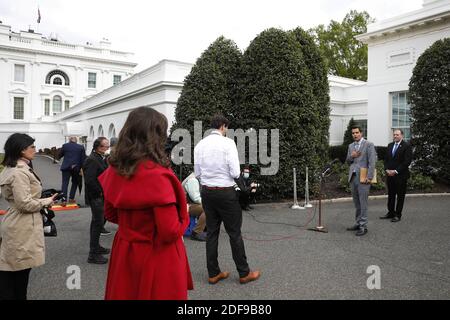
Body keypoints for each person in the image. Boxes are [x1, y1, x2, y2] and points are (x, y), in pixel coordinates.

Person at [98, 107, 193, 300]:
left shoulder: (115, 169)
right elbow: (169, 231)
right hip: (155, 253)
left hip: (125, 250)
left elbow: (110, 214)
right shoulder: (157, 175)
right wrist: (184, 216)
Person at [194, 114, 260, 285]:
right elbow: (235, 173)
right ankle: (244, 273)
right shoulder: (228, 143)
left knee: (212, 233)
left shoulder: (200, 145)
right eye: (227, 128)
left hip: (207, 193)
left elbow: (198, 173)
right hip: (225, 193)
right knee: (234, 233)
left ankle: (213, 273)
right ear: (223, 126)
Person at [0, 133, 57, 300]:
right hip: (22, 224)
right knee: (18, 271)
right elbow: (24, 204)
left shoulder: (15, 168)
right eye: (32, 146)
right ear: (21, 150)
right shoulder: (19, 172)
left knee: (16, 269)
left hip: (19, 222)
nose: (35, 149)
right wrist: (46, 201)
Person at [345, 126, 377, 236]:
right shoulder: (350, 146)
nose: (355, 135)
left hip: (364, 177)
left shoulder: (368, 144)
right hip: (353, 177)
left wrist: (370, 176)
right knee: (357, 203)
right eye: (353, 133)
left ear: (361, 133)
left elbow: (372, 162)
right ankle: (358, 223)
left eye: (357, 132)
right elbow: (348, 161)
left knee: (363, 203)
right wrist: (351, 156)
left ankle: (363, 226)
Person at [83, 137, 110, 264]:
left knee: (98, 223)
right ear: (98, 147)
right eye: (106, 146)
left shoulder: (99, 157)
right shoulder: (92, 160)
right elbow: (89, 180)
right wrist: (99, 192)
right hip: (96, 197)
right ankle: (92, 254)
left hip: (100, 196)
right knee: (97, 223)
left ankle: (96, 247)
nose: (108, 148)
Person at [380, 129, 412, 222]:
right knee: (391, 195)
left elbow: (407, 162)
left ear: (402, 135)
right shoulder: (390, 145)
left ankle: (398, 215)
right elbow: (386, 159)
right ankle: (390, 213)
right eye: (394, 135)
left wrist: (396, 171)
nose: (395, 136)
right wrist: (386, 169)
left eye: (397, 135)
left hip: (401, 176)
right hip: (390, 175)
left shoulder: (407, 146)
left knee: (400, 196)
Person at [58, 136, 86, 204]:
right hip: (76, 168)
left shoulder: (65, 146)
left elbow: (59, 155)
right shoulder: (81, 147)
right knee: (75, 182)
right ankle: (71, 198)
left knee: (65, 183)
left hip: (66, 167)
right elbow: (83, 159)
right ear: (76, 141)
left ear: (69, 140)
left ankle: (64, 200)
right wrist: (82, 169)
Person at [182, 172, 207, 241]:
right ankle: (196, 232)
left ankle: (204, 228)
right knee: (208, 209)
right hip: (185, 206)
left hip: (189, 204)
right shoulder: (193, 180)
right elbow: (195, 198)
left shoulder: (197, 178)